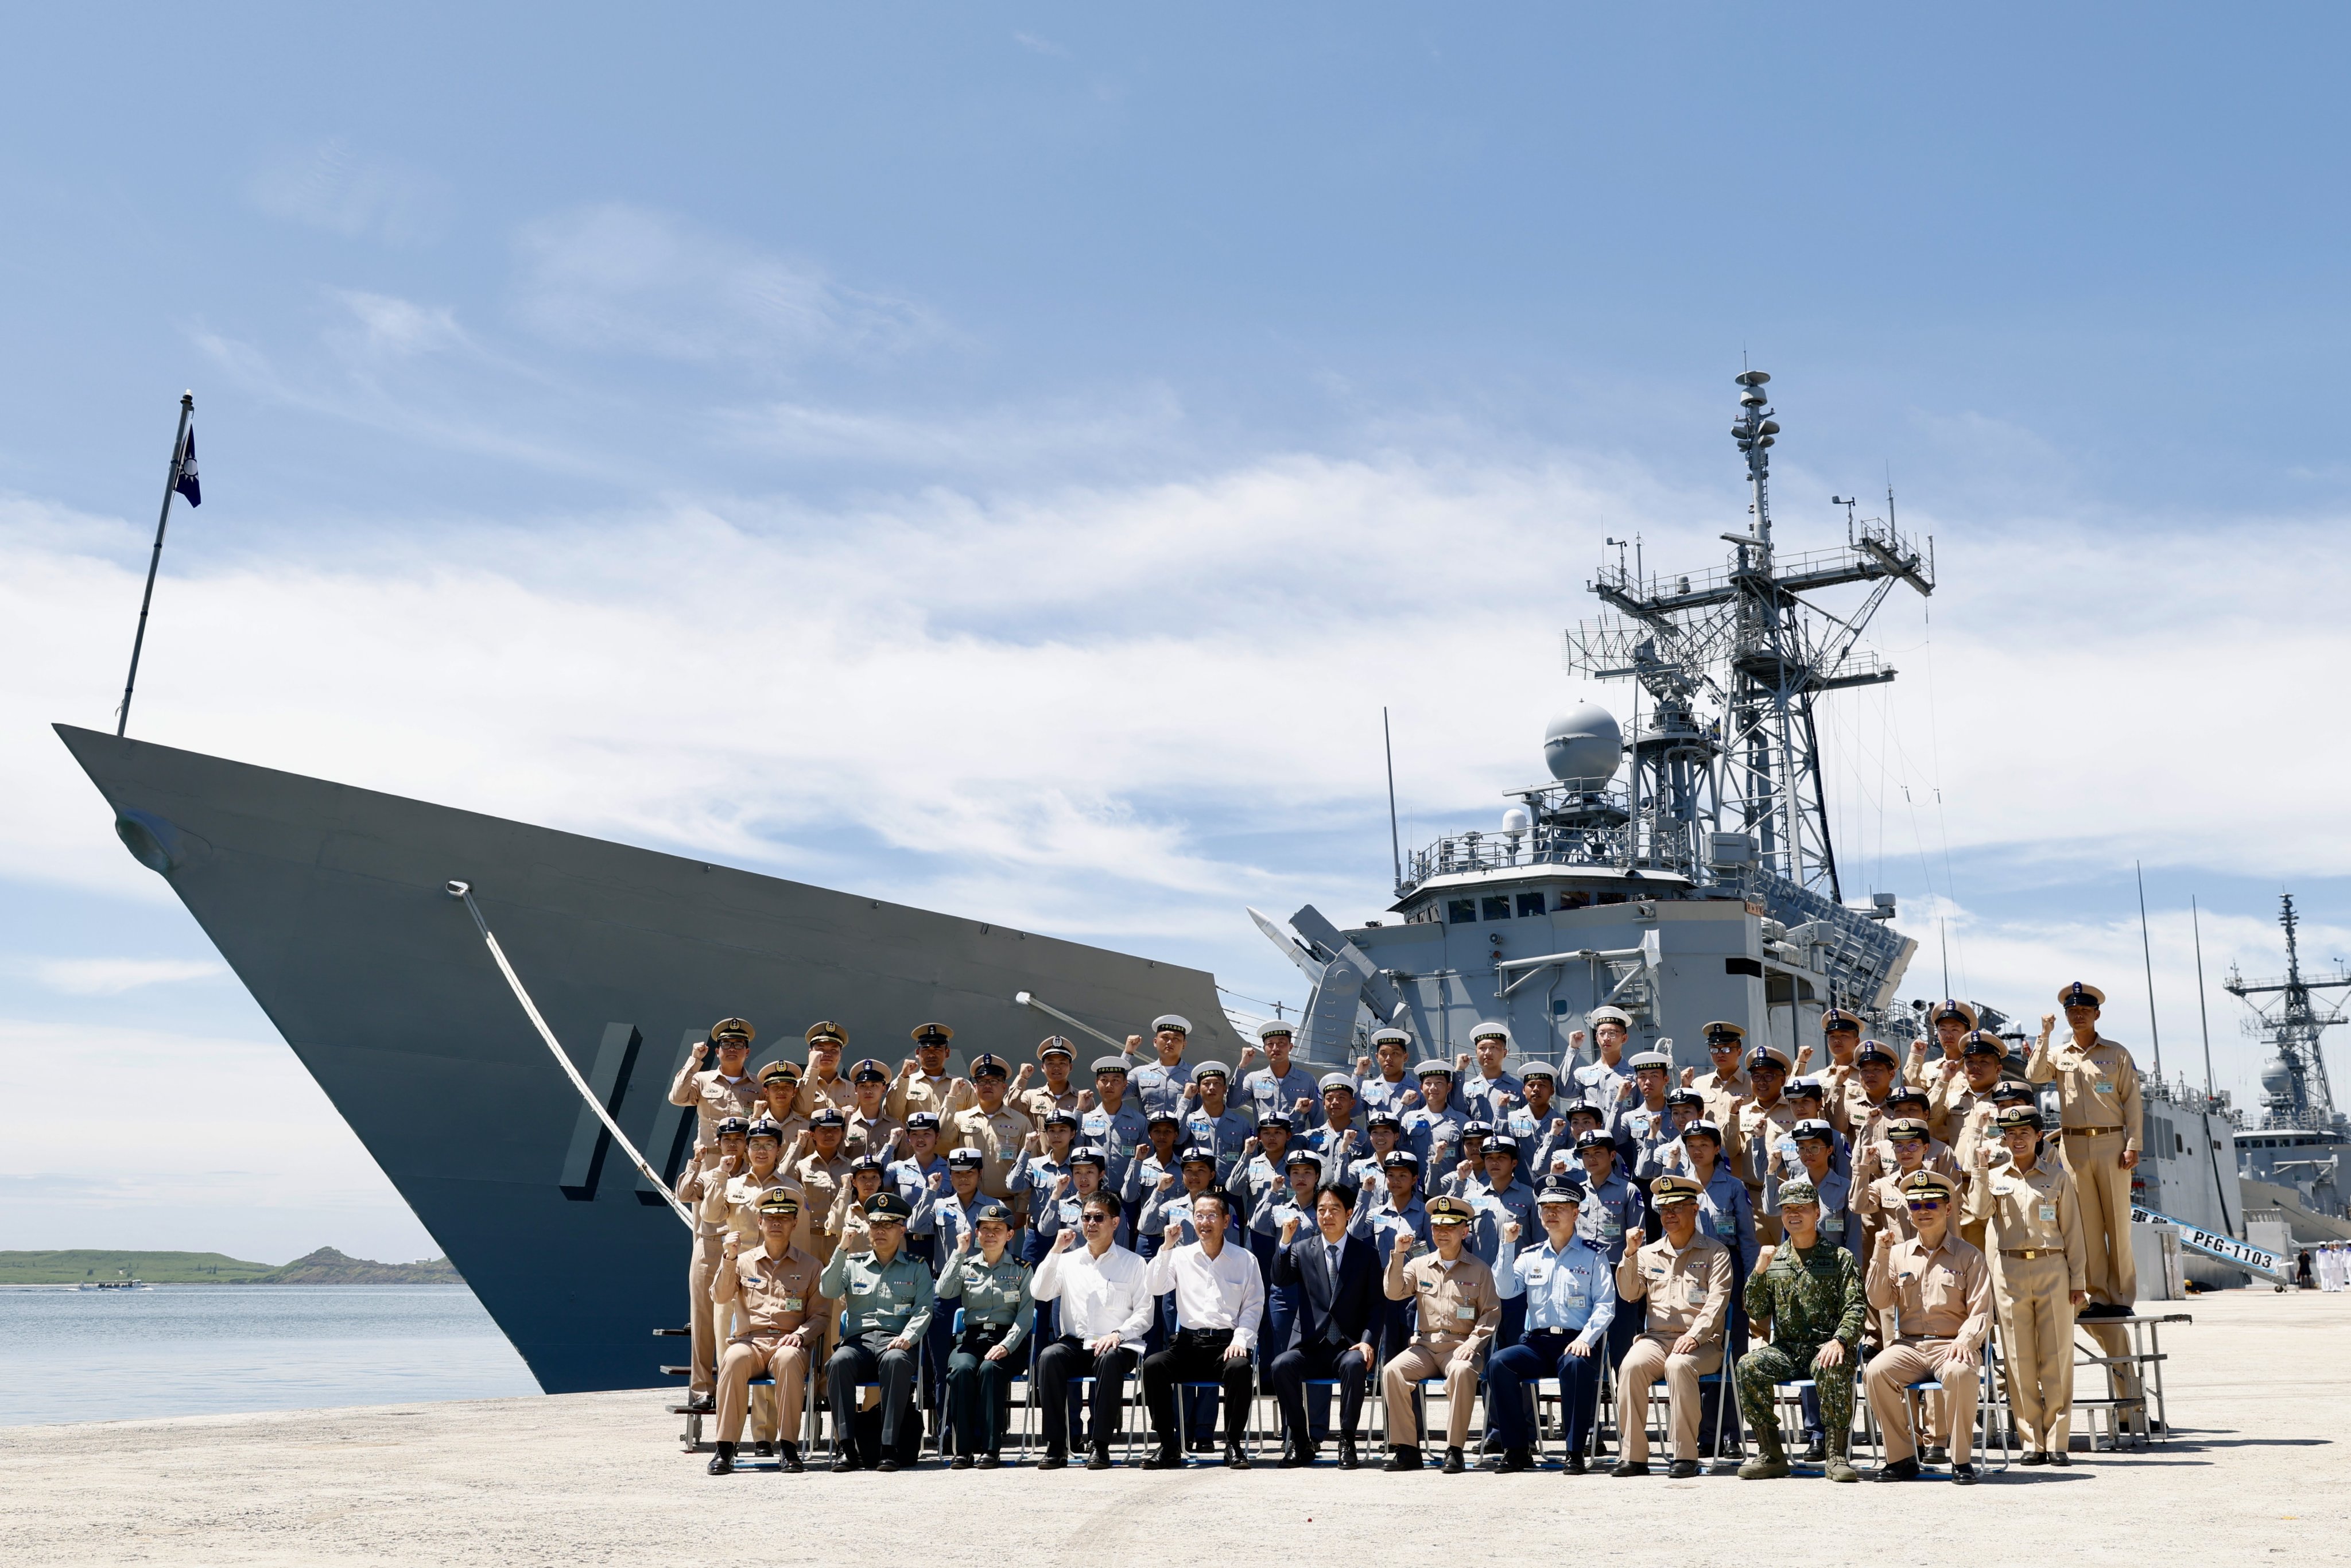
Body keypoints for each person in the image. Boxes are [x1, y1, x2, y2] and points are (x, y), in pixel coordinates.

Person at [1966, 1102, 2088, 1465]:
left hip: (2053, 1267)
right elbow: (1979, 1211)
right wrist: (1981, 1170)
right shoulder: (1995, 1174)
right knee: (2018, 1359)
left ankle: (2058, 1440)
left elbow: (2074, 1232)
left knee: (2057, 1356)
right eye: (2010, 1134)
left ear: (2038, 1136)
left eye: (2024, 1133)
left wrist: (2078, 1280)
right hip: (2009, 1270)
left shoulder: (2057, 1176)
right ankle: (2032, 1441)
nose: (2017, 1140)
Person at [1733, 1177, 1866, 1482]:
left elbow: (1856, 1307)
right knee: (1748, 1366)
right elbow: (1756, 1310)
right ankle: (1771, 1454)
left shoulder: (1840, 1258)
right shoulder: (1774, 1258)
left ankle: (1835, 1456)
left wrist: (1840, 1340)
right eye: (1788, 1209)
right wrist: (1759, 1270)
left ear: (1816, 1213)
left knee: (1831, 1364)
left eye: (1802, 1208)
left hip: (1827, 1346)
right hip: (1788, 1348)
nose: (1794, 1214)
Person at [1864, 1170, 1993, 1484]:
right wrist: (1880, 1254)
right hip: (1909, 1345)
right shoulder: (1896, 1254)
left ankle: (1961, 1461)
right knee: (1876, 1372)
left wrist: (1966, 1340)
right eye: (1916, 1205)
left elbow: (1981, 1310)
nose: (1923, 1211)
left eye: (1931, 1205)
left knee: (1961, 1373)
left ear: (1948, 1209)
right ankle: (1902, 1457)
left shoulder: (1969, 1256)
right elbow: (1879, 1300)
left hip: (1953, 1344)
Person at [2027, 982, 2142, 1317]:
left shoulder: (2116, 1053)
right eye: (2072, 1011)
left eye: (2084, 1011)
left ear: (2096, 1014)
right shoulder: (2058, 1055)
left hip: (2112, 1143)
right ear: (2066, 1015)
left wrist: (2133, 1144)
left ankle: (2121, 1297)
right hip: (2074, 1147)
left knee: (2118, 1224)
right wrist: (2044, 1035)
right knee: (2087, 1226)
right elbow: (2035, 1076)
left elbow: (2132, 1101)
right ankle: (2098, 1296)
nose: (2078, 1016)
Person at [1486, 1174, 1615, 1472]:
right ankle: (1517, 1449)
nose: (1551, 1213)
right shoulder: (1530, 1256)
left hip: (1576, 1342)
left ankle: (1575, 1451)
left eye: (1559, 1206)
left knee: (1576, 1366)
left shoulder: (1594, 1256)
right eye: (1545, 1207)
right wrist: (1507, 1246)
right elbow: (1505, 1290)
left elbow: (1606, 1306)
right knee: (1499, 1363)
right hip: (1538, 1343)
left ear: (1576, 1211)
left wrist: (1586, 1338)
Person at [1611, 1173, 1732, 1478]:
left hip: (1702, 1343)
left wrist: (1694, 1336)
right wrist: (1629, 1254)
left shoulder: (1715, 1252)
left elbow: (1717, 1303)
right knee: (1631, 1366)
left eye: (1677, 1207)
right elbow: (1628, 1294)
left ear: (1695, 1208)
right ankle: (1634, 1456)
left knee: (1679, 1366)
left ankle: (1685, 1456)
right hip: (1656, 1339)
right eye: (1664, 1209)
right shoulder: (1648, 1253)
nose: (1669, 1215)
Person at [707, 1189, 831, 1474]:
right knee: (733, 1359)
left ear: (795, 1223)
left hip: (789, 1342)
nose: (777, 1223)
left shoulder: (811, 1266)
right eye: (771, 1218)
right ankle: (725, 1448)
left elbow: (821, 1315)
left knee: (788, 1361)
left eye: (784, 1218)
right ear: (760, 1222)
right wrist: (728, 1257)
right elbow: (721, 1296)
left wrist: (801, 1335)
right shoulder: (742, 1261)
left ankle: (788, 1448)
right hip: (750, 1342)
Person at [1140, 1189, 1266, 1468]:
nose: (1204, 1222)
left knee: (1240, 1368)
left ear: (1225, 1220)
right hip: (1187, 1345)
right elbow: (1155, 1287)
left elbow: (1254, 1306)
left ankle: (1232, 1444)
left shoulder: (1245, 1260)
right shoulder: (1180, 1256)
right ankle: (1169, 1445)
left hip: (1226, 1346)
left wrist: (1241, 1339)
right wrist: (1166, 1248)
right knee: (1153, 1365)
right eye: (1199, 1216)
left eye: (1211, 1216)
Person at [1031, 1191, 1155, 1469]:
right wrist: (1055, 1252)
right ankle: (1056, 1445)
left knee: (1110, 1359)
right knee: (1049, 1357)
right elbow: (1040, 1292)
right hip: (1076, 1343)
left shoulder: (1134, 1263)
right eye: (1086, 1217)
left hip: (1117, 1343)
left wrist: (1118, 1335)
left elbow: (1145, 1314)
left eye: (1098, 1218)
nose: (1090, 1223)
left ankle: (1100, 1445)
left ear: (1115, 1222)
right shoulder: (1068, 1260)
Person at [1378, 1193, 1500, 1473]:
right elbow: (1394, 1292)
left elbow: (1491, 1312)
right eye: (1437, 1227)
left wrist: (1473, 1343)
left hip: (1460, 1345)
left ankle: (1454, 1449)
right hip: (1425, 1345)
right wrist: (1398, 1254)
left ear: (1464, 1230)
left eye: (1450, 1227)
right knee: (1393, 1371)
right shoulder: (1418, 1264)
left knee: (1461, 1371)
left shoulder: (1479, 1270)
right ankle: (1407, 1450)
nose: (1442, 1233)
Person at [818, 1191, 936, 1472]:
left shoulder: (917, 1268)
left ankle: (889, 1447)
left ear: (902, 1229)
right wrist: (841, 1250)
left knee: (896, 1362)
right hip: (858, 1343)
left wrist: (908, 1338)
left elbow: (925, 1309)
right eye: (875, 1225)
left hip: (895, 1342)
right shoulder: (852, 1263)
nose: (880, 1231)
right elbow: (828, 1289)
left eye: (888, 1225)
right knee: (837, 1362)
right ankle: (847, 1448)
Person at [1267, 1181, 1382, 1468]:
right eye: (1321, 1210)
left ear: (1349, 1213)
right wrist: (1285, 1242)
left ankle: (1347, 1439)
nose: (1327, 1216)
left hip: (1348, 1346)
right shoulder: (1302, 1249)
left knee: (1356, 1364)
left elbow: (1376, 1306)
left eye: (1334, 1209)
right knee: (1281, 1365)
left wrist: (1367, 1341)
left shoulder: (1366, 1254)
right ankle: (1300, 1440)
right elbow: (1280, 1279)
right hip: (1311, 1346)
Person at [933, 1199, 1034, 1467]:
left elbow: (1025, 1317)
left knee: (991, 1370)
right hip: (972, 1339)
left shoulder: (1022, 1270)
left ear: (1010, 1234)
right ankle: (963, 1450)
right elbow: (943, 1291)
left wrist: (1007, 1345)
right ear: (976, 1233)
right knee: (961, 1370)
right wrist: (959, 1252)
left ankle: (991, 1449)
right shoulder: (966, 1266)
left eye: (997, 1229)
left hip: (1008, 1341)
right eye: (985, 1229)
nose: (990, 1234)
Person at [674, 1115, 751, 1412]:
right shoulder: (709, 1173)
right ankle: (703, 1389)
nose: (733, 1144)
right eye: (727, 1139)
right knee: (704, 1323)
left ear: (747, 1143)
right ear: (718, 1143)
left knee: (740, 1322)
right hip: (709, 1250)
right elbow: (682, 1194)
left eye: (739, 1139)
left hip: (742, 1250)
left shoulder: (752, 1175)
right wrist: (697, 1163)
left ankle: (737, 1385)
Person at [944, 1053, 1037, 1209]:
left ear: (1004, 1087)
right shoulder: (961, 1119)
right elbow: (944, 1139)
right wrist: (952, 1096)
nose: (987, 1086)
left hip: (1005, 1205)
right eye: (982, 1081)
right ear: (974, 1087)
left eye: (994, 1081)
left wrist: (1022, 1208)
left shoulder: (1021, 1122)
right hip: (966, 1205)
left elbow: (1028, 1168)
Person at [670, 1018, 763, 1146]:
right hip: (708, 1157)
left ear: (747, 1052)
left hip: (744, 1159)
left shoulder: (759, 1084)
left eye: (738, 1044)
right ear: (717, 1052)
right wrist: (695, 1059)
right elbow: (677, 1098)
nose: (732, 1049)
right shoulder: (702, 1080)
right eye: (726, 1044)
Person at [1076, 1056, 1150, 1199]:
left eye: (1116, 1080)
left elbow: (1148, 1161)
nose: (1109, 1085)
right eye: (1104, 1080)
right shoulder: (1086, 1120)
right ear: (1096, 1083)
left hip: (1128, 1197)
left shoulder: (1139, 1121)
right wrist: (1079, 1111)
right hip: (1094, 1196)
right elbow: (1075, 1149)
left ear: (1125, 1084)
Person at [789, 1109, 855, 1267]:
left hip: (840, 1239)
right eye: (823, 1129)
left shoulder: (851, 1167)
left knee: (838, 1289)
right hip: (809, 1239)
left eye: (835, 1129)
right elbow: (782, 1179)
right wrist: (798, 1145)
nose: (829, 1134)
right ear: (812, 1134)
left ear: (842, 1133)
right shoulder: (802, 1166)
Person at [886, 1022, 976, 1125]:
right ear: (917, 1053)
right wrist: (903, 1077)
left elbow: (972, 1122)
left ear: (947, 1053)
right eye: (926, 1049)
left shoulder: (964, 1086)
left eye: (937, 1049)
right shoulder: (904, 1083)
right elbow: (891, 1115)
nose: (931, 1054)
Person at [1239, 1020, 1324, 1126]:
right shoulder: (1253, 1079)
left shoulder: (1308, 1080)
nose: (1276, 1048)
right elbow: (1233, 1103)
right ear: (1264, 1049)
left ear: (1291, 1047)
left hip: (1295, 1142)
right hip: (1264, 1141)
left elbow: (1318, 1122)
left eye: (1281, 1042)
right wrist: (1242, 1067)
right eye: (1270, 1044)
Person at [1184, 1061, 1254, 1185]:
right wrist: (1186, 1099)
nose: (1212, 1088)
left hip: (1231, 1193)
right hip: (1199, 1191)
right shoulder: (1190, 1120)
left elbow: (1252, 1160)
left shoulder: (1242, 1124)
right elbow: (1177, 1140)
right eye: (1206, 1084)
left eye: (1217, 1083)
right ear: (1198, 1090)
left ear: (1225, 1089)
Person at [1126, 1014, 1194, 1117]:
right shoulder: (1140, 1073)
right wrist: (1127, 1054)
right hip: (1147, 1132)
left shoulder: (1195, 1076)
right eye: (1165, 1037)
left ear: (1184, 1045)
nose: (1170, 1042)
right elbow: (1117, 1093)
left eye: (1176, 1038)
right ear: (1155, 1042)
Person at [1458, 1022, 1526, 1124]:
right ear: (1476, 1053)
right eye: (1482, 1048)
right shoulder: (1466, 1089)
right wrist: (1459, 1070)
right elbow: (1457, 1114)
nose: (1487, 1052)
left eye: (1494, 1047)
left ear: (1505, 1053)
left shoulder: (1519, 1088)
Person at [1572, 1004, 1638, 1106]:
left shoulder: (1636, 1076)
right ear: (1597, 1038)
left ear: (1624, 1038)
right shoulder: (1584, 1074)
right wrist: (1573, 1049)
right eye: (1602, 1033)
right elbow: (1564, 1092)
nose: (1606, 1038)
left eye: (1612, 1033)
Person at [843, 1058, 906, 1163]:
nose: (868, 1090)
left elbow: (903, 1164)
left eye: (874, 1085)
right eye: (863, 1086)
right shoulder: (846, 1124)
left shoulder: (895, 1126)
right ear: (856, 1090)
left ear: (884, 1089)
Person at [1017, 1037, 1084, 1125]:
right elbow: (1010, 1111)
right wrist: (1022, 1078)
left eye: (1062, 1063)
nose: (1056, 1067)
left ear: (1070, 1067)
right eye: (1051, 1063)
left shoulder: (1083, 1099)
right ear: (1042, 1067)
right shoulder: (1030, 1097)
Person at [1353, 1026, 1416, 1117]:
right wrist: (1358, 1076)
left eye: (1395, 1053)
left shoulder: (1418, 1091)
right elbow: (1353, 1113)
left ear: (1405, 1057)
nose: (1388, 1059)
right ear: (1377, 1057)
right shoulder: (1367, 1087)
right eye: (1383, 1053)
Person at [799, 1022, 856, 1115]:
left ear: (840, 1054)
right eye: (821, 1049)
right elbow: (802, 1109)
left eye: (834, 1050)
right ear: (810, 1053)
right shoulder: (797, 1087)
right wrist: (812, 1067)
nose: (827, 1054)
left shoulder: (853, 1089)